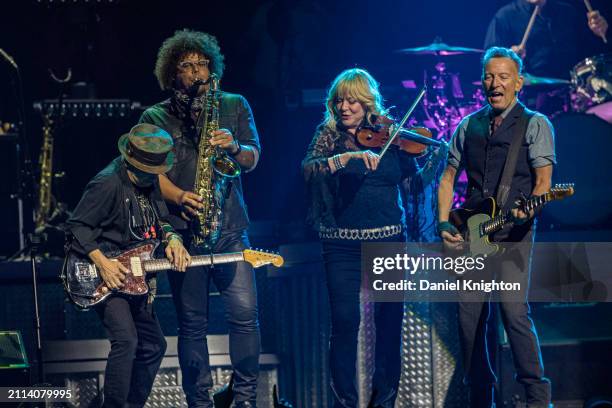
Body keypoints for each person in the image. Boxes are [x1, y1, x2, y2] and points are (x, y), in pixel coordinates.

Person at [302, 68, 446, 408]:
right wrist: (346, 157)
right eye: (339, 100)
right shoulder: (329, 136)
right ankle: (346, 402)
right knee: (345, 321)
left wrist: (435, 165)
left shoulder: (390, 136)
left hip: (386, 239)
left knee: (389, 322)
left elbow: (411, 184)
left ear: (368, 103)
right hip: (341, 243)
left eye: (352, 100)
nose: (344, 106)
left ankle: (385, 401)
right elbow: (308, 169)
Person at [138, 29, 261, 408]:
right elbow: (144, 171)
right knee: (193, 325)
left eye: (202, 64)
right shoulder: (156, 115)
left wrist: (235, 146)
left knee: (245, 316)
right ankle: (199, 402)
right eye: (186, 66)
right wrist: (178, 196)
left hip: (230, 229)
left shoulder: (234, 104)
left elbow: (253, 159)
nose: (196, 73)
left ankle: (244, 399)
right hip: (182, 234)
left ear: (213, 67)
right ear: (172, 73)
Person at [437, 47, 556, 407]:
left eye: (503, 77)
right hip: (473, 234)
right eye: (489, 76)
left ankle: (537, 398)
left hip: (513, 235)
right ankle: (480, 397)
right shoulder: (467, 125)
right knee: (468, 321)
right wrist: (444, 223)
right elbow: (447, 179)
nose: (495, 83)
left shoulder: (536, 124)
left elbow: (543, 184)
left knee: (513, 313)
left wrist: (528, 213)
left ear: (518, 82)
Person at [66, 123, 190, 407]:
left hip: (136, 276)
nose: (158, 176)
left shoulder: (150, 181)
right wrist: (103, 263)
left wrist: (172, 238)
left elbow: (160, 219)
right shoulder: (107, 183)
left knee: (154, 345)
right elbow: (76, 227)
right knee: (126, 341)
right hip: (104, 274)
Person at [484, 0, 610, 78]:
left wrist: (599, 33)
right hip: (531, 98)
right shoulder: (504, 17)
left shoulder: (567, 12)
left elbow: (591, 57)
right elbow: (489, 63)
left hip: (572, 92)